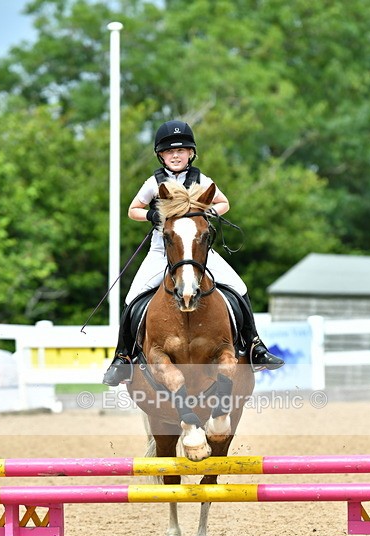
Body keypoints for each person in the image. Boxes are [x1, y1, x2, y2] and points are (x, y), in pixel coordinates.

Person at [103, 119, 284, 386]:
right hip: (162, 250)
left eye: (181, 150)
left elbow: (224, 203)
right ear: (161, 155)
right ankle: (123, 357)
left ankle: (255, 345)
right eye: (169, 151)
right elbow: (133, 210)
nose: (175, 155)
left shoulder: (201, 180)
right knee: (133, 296)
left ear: (190, 153)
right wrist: (153, 214)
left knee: (239, 287)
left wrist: (206, 212)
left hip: (199, 252)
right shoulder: (153, 182)